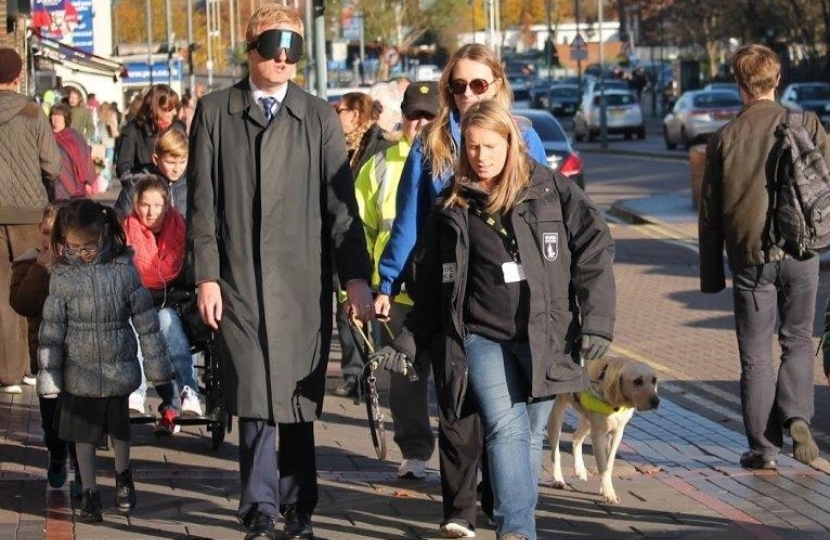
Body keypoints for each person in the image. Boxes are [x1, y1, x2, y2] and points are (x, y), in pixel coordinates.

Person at [376, 100, 615, 539]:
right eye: (471, 147)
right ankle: (517, 530)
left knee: (530, 433)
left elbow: (594, 249)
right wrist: (406, 340)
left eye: (489, 146)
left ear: (511, 143)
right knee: (505, 427)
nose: (480, 156)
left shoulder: (549, 190)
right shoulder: (453, 206)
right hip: (481, 336)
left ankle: (516, 516)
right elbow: (427, 283)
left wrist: (597, 322)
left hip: (548, 336)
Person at [187, 5, 374, 540]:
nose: (284, 57)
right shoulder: (216, 111)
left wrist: (355, 277)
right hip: (239, 280)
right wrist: (206, 275)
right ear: (250, 49)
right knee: (253, 396)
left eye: (294, 46)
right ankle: (259, 510)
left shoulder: (317, 116)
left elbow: (342, 209)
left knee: (296, 397)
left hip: (300, 281)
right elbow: (203, 204)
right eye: (273, 45)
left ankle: (299, 507)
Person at [373, 43, 547, 538]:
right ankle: (463, 511)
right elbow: (410, 220)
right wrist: (387, 281)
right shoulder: (432, 143)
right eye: (458, 85)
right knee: (458, 405)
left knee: (509, 417)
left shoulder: (524, 137)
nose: (468, 93)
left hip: (509, 299)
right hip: (452, 295)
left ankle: (502, 500)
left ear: (498, 84)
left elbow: (546, 214)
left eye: (478, 84)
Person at [699, 44, 826, 471]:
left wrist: (712, 274)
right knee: (798, 339)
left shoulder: (725, 138)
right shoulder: (805, 122)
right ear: (777, 80)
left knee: (755, 354)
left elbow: (710, 213)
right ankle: (797, 417)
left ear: (739, 85)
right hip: (802, 251)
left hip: (750, 258)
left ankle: (764, 449)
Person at [37, 198, 174, 523]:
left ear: (103, 234)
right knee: (83, 435)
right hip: (79, 372)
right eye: (75, 246)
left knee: (119, 430)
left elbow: (146, 320)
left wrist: (158, 371)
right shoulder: (63, 277)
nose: (83, 252)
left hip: (117, 367)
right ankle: (89, 491)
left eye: (89, 245)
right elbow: (52, 331)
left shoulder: (123, 270)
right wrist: (49, 378)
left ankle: (123, 475)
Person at [353, 80, 440, 479]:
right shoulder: (378, 166)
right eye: (413, 115)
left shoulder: (452, 159)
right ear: (401, 118)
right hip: (397, 295)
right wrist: (354, 289)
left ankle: (466, 458)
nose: (420, 123)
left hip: (442, 288)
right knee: (406, 378)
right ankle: (416, 452)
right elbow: (358, 231)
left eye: (429, 115)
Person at [9, 201, 82, 496]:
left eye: (56, 234)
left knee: (80, 417)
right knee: (52, 416)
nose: (48, 240)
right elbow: (21, 303)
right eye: (44, 232)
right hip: (45, 357)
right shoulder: (28, 263)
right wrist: (41, 271)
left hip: (78, 356)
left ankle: (82, 469)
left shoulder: (81, 268)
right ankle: (57, 453)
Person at [0, 47, 61, 394]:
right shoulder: (32, 111)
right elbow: (52, 165)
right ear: (18, 76)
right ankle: (33, 364)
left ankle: (8, 373)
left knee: (1, 292)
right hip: (29, 214)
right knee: (33, 284)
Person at [124, 175, 202, 434]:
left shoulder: (181, 228)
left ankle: (188, 390)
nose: (151, 212)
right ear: (136, 204)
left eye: (157, 205)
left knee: (167, 319)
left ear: (166, 205)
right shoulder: (126, 232)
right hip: (140, 305)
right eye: (145, 205)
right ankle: (136, 393)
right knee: (137, 324)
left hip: (175, 304)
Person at [332, 90, 393, 398]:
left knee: (375, 320)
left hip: (372, 246)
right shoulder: (339, 147)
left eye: (339, 109)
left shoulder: (377, 145)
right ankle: (354, 374)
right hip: (346, 237)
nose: (335, 114)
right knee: (346, 313)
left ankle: (374, 376)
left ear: (354, 114)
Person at [116, 84, 184, 182]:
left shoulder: (177, 129)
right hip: (144, 190)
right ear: (155, 107)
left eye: (175, 108)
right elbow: (124, 167)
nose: (174, 113)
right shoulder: (134, 130)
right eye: (168, 109)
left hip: (176, 191)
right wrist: (141, 181)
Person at [115, 129, 188, 219]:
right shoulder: (136, 185)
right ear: (155, 159)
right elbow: (120, 221)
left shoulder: (190, 185)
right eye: (170, 162)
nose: (177, 169)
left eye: (182, 162)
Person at [49, 103, 96, 199]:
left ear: (65, 118)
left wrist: (87, 180)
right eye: (54, 115)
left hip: (79, 183)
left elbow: (85, 156)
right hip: (55, 184)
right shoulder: (47, 137)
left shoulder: (75, 136)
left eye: (59, 115)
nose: (56, 119)